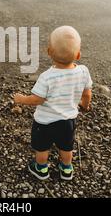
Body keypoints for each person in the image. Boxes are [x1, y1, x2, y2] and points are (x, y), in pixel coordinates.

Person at [14, 26, 92, 180]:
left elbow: (37, 99)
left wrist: (21, 99)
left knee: (42, 147)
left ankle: (41, 169)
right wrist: (85, 105)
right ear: (78, 54)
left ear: (49, 52)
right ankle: (66, 169)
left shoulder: (47, 77)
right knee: (66, 146)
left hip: (44, 122)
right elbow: (87, 93)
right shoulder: (83, 72)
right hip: (68, 121)